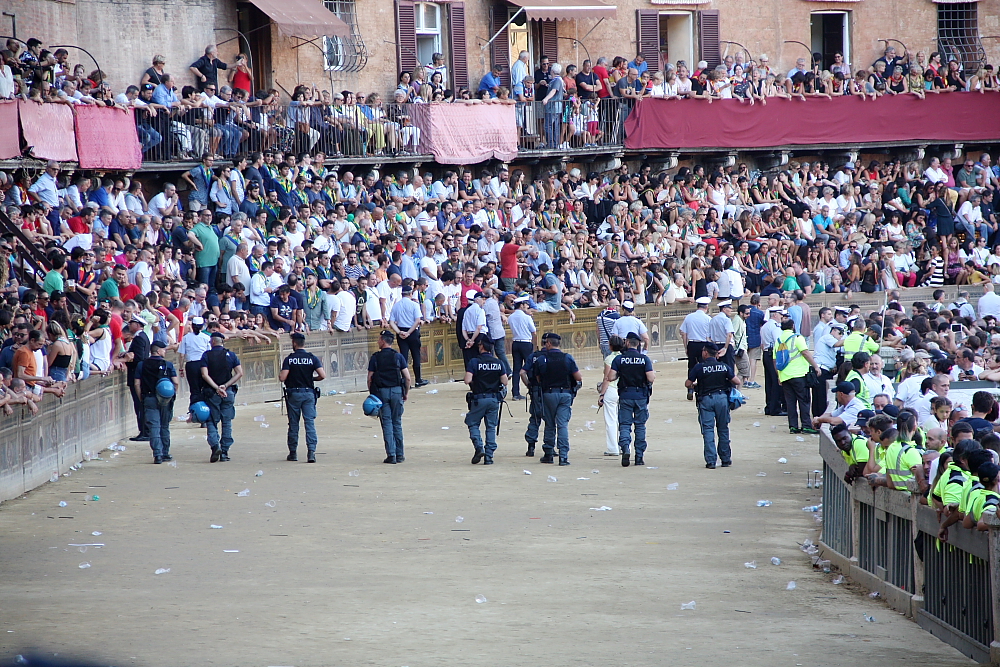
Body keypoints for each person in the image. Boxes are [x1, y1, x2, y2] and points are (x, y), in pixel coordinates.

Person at [603, 331, 655, 467]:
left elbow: (611, 377)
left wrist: (621, 373)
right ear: (638, 344)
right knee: (640, 425)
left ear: (627, 343)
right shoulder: (644, 359)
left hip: (625, 394)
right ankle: (639, 456)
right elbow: (651, 378)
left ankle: (625, 447)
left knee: (625, 424)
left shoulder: (619, 359)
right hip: (641, 396)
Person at [685, 342, 740, 469]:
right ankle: (725, 459)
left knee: (708, 430)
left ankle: (711, 461)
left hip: (706, 399)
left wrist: (693, 385)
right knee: (723, 429)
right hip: (722, 399)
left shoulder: (699, 367)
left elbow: (688, 383)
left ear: (705, 352)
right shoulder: (724, 366)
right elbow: (736, 381)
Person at [531, 332, 582, 465]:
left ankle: (548, 453)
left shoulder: (542, 359)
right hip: (565, 394)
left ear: (548, 343)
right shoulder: (567, 358)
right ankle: (563, 456)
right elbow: (578, 378)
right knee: (562, 425)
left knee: (549, 423)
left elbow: (538, 378)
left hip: (548, 393)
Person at [280, 331, 326, 463]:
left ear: (294, 343)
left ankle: (293, 453)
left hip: (294, 394)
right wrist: (311, 378)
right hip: (309, 393)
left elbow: (283, 377)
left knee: (293, 424)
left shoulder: (290, 359)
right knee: (309, 423)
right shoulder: (312, 358)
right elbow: (322, 375)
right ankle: (311, 452)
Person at [368, 330, 411, 464]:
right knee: (397, 422)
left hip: (382, 393)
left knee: (386, 423)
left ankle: (391, 454)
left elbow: (370, 378)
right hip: (397, 391)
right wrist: (406, 393)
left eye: (379, 339)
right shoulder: (398, 357)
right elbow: (408, 377)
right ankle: (400, 454)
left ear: (383, 340)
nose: (377, 342)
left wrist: (372, 395)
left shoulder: (375, 357)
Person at [199, 331, 243, 462]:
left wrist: (216, 387)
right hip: (228, 392)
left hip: (212, 392)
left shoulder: (206, 355)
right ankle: (225, 451)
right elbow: (239, 373)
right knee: (227, 422)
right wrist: (226, 385)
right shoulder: (231, 355)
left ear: (212, 342)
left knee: (211, 421)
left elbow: (204, 375)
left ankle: (214, 445)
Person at [464, 335, 508, 465]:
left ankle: (479, 446)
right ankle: (489, 456)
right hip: (494, 399)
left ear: (482, 346)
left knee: (472, 422)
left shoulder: (474, 362)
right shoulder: (498, 363)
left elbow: (467, 380)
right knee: (491, 427)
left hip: (479, 399)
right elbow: (504, 381)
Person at [134, 340, 179, 464]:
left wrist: (141, 398)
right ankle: (165, 452)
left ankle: (157, 454)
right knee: (164, 426)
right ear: (158, 351)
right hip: (165, 399)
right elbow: (175, 382)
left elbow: (137, 383)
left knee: (154, 426)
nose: (165, 351)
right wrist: (172, 395)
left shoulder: (141, 365)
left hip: (149, 398)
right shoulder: (168, 365)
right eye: (163, 350)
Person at [775, 317, 820, 434]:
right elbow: (805, 352)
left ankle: (793, 427)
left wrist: (779, 375)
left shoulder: (779, 340)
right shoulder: (797, 338)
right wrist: (815, 366)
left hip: (785, 376)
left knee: (790, 402)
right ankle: (806, 426)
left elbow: (775, 360)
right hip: (799, 374)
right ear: (793, 326)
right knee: (804, 401)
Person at [389, 284, 428, 388]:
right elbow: (417, 321)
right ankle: (418, 379)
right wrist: (409, 332)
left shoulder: (396, 305)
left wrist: (399, 332)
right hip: (412, 332)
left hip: (401, 332)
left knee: (404, 357)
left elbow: (391, 322)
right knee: (416, 356)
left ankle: (405, 381)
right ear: (411, 294)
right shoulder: (414, 305)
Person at [177, 316, 212, 421]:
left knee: (194, 390)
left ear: (192, 326)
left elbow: (182, 355)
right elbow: (208, 354)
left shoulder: (186, 338)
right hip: (203, 364)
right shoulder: (206, 337)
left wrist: (181, 368)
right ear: (202, 327)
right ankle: (206, 416)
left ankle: (194, 414)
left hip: (191, 365)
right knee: (204, 389)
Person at [679, 296, 712, 400]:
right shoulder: (708, 318)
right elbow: (710, 335)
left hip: (692, 344)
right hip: (703, 345)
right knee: (704, 367)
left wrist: (686, 347)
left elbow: (683, 333)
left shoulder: (689, 317)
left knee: (692, 367)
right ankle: (702, 388)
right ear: (706, 307)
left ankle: (690, 388)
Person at [124, 316, 151, 441]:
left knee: (139, 405)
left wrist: (127, 360)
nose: (129, 325)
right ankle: (145, 431)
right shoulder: (143, 337)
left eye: (132, 323)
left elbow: (139, 358)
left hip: (137, 375)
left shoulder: (139, 338)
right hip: (141, 375)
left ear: (138, 324)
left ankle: (144, 432)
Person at [597, 335, 623, 457]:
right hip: (623, 390)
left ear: (611, 346)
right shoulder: (624, 357)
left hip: (612, 390)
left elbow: (607, 378)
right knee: (622, 419)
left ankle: (613, 447)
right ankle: (624, 445)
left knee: (611, 420)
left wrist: (602, 394)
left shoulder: (610, 359)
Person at [508, 295, 536, 400]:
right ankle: (533, 390)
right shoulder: (527, 317)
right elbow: (533, 331)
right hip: (526, 343)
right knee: (529, 367)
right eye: (526, 304)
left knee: (516, 368)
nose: (527, 306)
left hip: (516, 342)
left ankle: (515, 393)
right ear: (521, 305)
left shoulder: (511, 317)